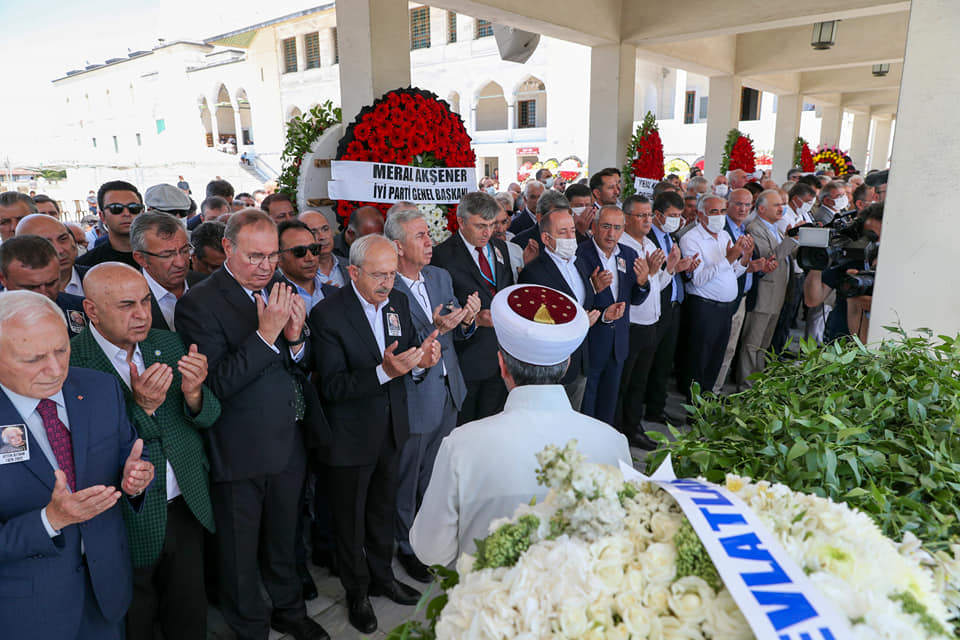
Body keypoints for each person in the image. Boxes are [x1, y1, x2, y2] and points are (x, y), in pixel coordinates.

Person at [175, 209, 330, 640]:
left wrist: (297, 339)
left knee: (285, 538)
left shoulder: (282, 286)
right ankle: (250, 626)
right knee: (239, 551)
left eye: (271, 256)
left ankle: (289, 610)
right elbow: (215, 384)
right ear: (227, 248)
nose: (265, 266)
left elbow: (302, 364)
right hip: (237, 448)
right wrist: (265, 336)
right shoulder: (198, 303)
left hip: (288, 440)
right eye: (255, 257)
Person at [409, 283, 632, 565]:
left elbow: (431, 551)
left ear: (502, 365)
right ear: (566, 365)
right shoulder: (612, 441)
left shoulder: (462, 445)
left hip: (483, 603)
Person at [71, 263, 220, 640]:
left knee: (188, 611)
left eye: (144, 302)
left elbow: (209, 416)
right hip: (122, 516)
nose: (141, 315)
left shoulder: (167, 343)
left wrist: (195, 394)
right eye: (126, 305)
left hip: (184, 501)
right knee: (135, 617)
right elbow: (85, 450)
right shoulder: (73, 363)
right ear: (91, 310)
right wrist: (143, 408)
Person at [0, 290, 154, 640]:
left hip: (105, 592)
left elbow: (128, 452)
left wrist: (136, 477)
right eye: (33, 358)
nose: (56, 370)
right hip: (25, 610)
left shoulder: (98, 387)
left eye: (61, 349)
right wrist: (49, 521)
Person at [309, 234, 440, 633]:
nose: (387, 283)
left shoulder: (398, 302)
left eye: (392, 274)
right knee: (349, 522)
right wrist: (385, 372)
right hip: (349, 438)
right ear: (353, 272)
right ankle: (358, 591)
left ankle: (383, 576)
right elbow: (331, 386)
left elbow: (408, 358)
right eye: (378, 275)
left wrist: (423, 362)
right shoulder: (329, 315)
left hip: (391, 428)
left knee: (383, 510)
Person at [384, 204, 478, 583]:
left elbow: (457, 332)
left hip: (449, 388)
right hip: (414, 394)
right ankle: (407, 546)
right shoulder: (387, 286)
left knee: (438, 474)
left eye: (429, 233)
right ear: (398, 246)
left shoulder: (439, 276)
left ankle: (434, 535)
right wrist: (433, 331)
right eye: (421, 236)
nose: (431, 241)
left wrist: (467, 321)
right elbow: (390, 347)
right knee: (409, 476)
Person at [431, 192, 515, 423]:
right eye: (480, 226)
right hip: (467, 359)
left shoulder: (500, 247)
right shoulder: (442, 256)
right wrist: (474, 319)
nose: (488, 232)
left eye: (491, 225)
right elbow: (439, 310)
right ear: (461, 222)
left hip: (501, 356)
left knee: (494, 425)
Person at [517, 206, 599, 410]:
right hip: (551, 368)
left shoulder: (580, 264)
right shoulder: (533, 273)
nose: (571, 237)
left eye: (572, 230)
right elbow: (535, 324)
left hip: (580, 362)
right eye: (563, 232)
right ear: (546, 239)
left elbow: (583, 304)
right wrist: (579, 325)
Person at [576, 205, 650, 425]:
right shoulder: (580, 254)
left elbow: (635, 298)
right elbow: (576, 299)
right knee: (586, 406)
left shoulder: (629, 254)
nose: (611, 234)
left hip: (617, 343)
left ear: (624, 229)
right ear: (595, 226)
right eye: (606, 226)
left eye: (617, 228)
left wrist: (644, 282)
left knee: (608, 405)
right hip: (590, 344)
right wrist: (594, 289)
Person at [678, 195, 751, 398]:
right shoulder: (691, 239)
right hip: (704, 308)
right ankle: (694, 408)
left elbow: (731, 273)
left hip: (725, 307)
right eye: (714, 212)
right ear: (701, 215)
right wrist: (730, 258)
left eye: (722, 212)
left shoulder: (725, 236)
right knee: (699, 360)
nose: (719, 216)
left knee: (716, 359)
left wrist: (743, 260)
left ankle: (708, 401)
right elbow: (698, 279)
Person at [644, 192, 698, 425]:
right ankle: (650, 408)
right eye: (672, 215)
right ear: (657, 215)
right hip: (658, 307)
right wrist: (675, 267)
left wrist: (686, 268)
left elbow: (675, 269)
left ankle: (658, 406)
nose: (677, 220)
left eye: (679, 215)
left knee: (665, 361)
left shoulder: (670, 237)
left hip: (675, 305)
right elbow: (655, 275)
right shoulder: (650, 240)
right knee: (652, 360)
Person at [736, 191, 795, 384]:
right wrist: (792, 238)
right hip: (763, 294)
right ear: (761, 209)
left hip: (777, 294)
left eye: (782, 204)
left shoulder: (774, 228)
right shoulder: (755, 228)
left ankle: (757, 380)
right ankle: (746, 384)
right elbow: (769, 257)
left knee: (764, 343)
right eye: (776, 205)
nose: (782, 208)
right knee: (753, 342)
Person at [0, 235, 88, 337]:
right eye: (31, 287)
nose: (43, 294)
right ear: (3, 279)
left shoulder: (81, 309)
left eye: (51, 283)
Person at [131, 212, 206, 331]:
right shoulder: (125, 299)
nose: (181, 263)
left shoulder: (207, 285)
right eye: (167, 255)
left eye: (185, 251)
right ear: (141, 258)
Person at [16, 213, 88, 297]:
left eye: (63, 239)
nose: (59, 250)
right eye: (46, 244)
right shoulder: (14, 292)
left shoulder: (97, 278)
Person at [76, 180, 143, 269]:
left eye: (133, 208)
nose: (126, 213)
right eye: (116, 208)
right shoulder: (86, 266)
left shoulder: (162, 255)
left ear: (142, 212)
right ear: (102, 216)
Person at [277, 220, 336, 310]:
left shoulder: (335, 294)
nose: (310, 258)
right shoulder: (272, 299)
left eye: (314, 249)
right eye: (300, 251)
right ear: (279, 258)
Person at [298, 210, 348, 287]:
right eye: (313, 232)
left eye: (325, 229)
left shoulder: (349, 265)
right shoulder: (296, 273)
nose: (322, 237)